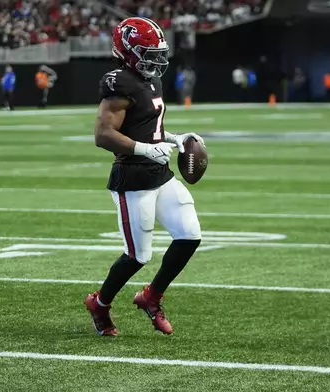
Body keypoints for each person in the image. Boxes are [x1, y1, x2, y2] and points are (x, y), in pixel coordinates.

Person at [84, 17, 204, 336]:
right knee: (138, 255)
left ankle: (151, 296)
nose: (155, 60)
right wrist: (144, 149)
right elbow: (103, 134)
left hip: (159, 174)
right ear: (128, 51)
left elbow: (150, 129)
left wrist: (173, 138)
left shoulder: (151, 80)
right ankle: (100, 303)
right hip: (132, 178)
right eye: (147, 53)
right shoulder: (118, 83)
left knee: (190, 234)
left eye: (157, 52)